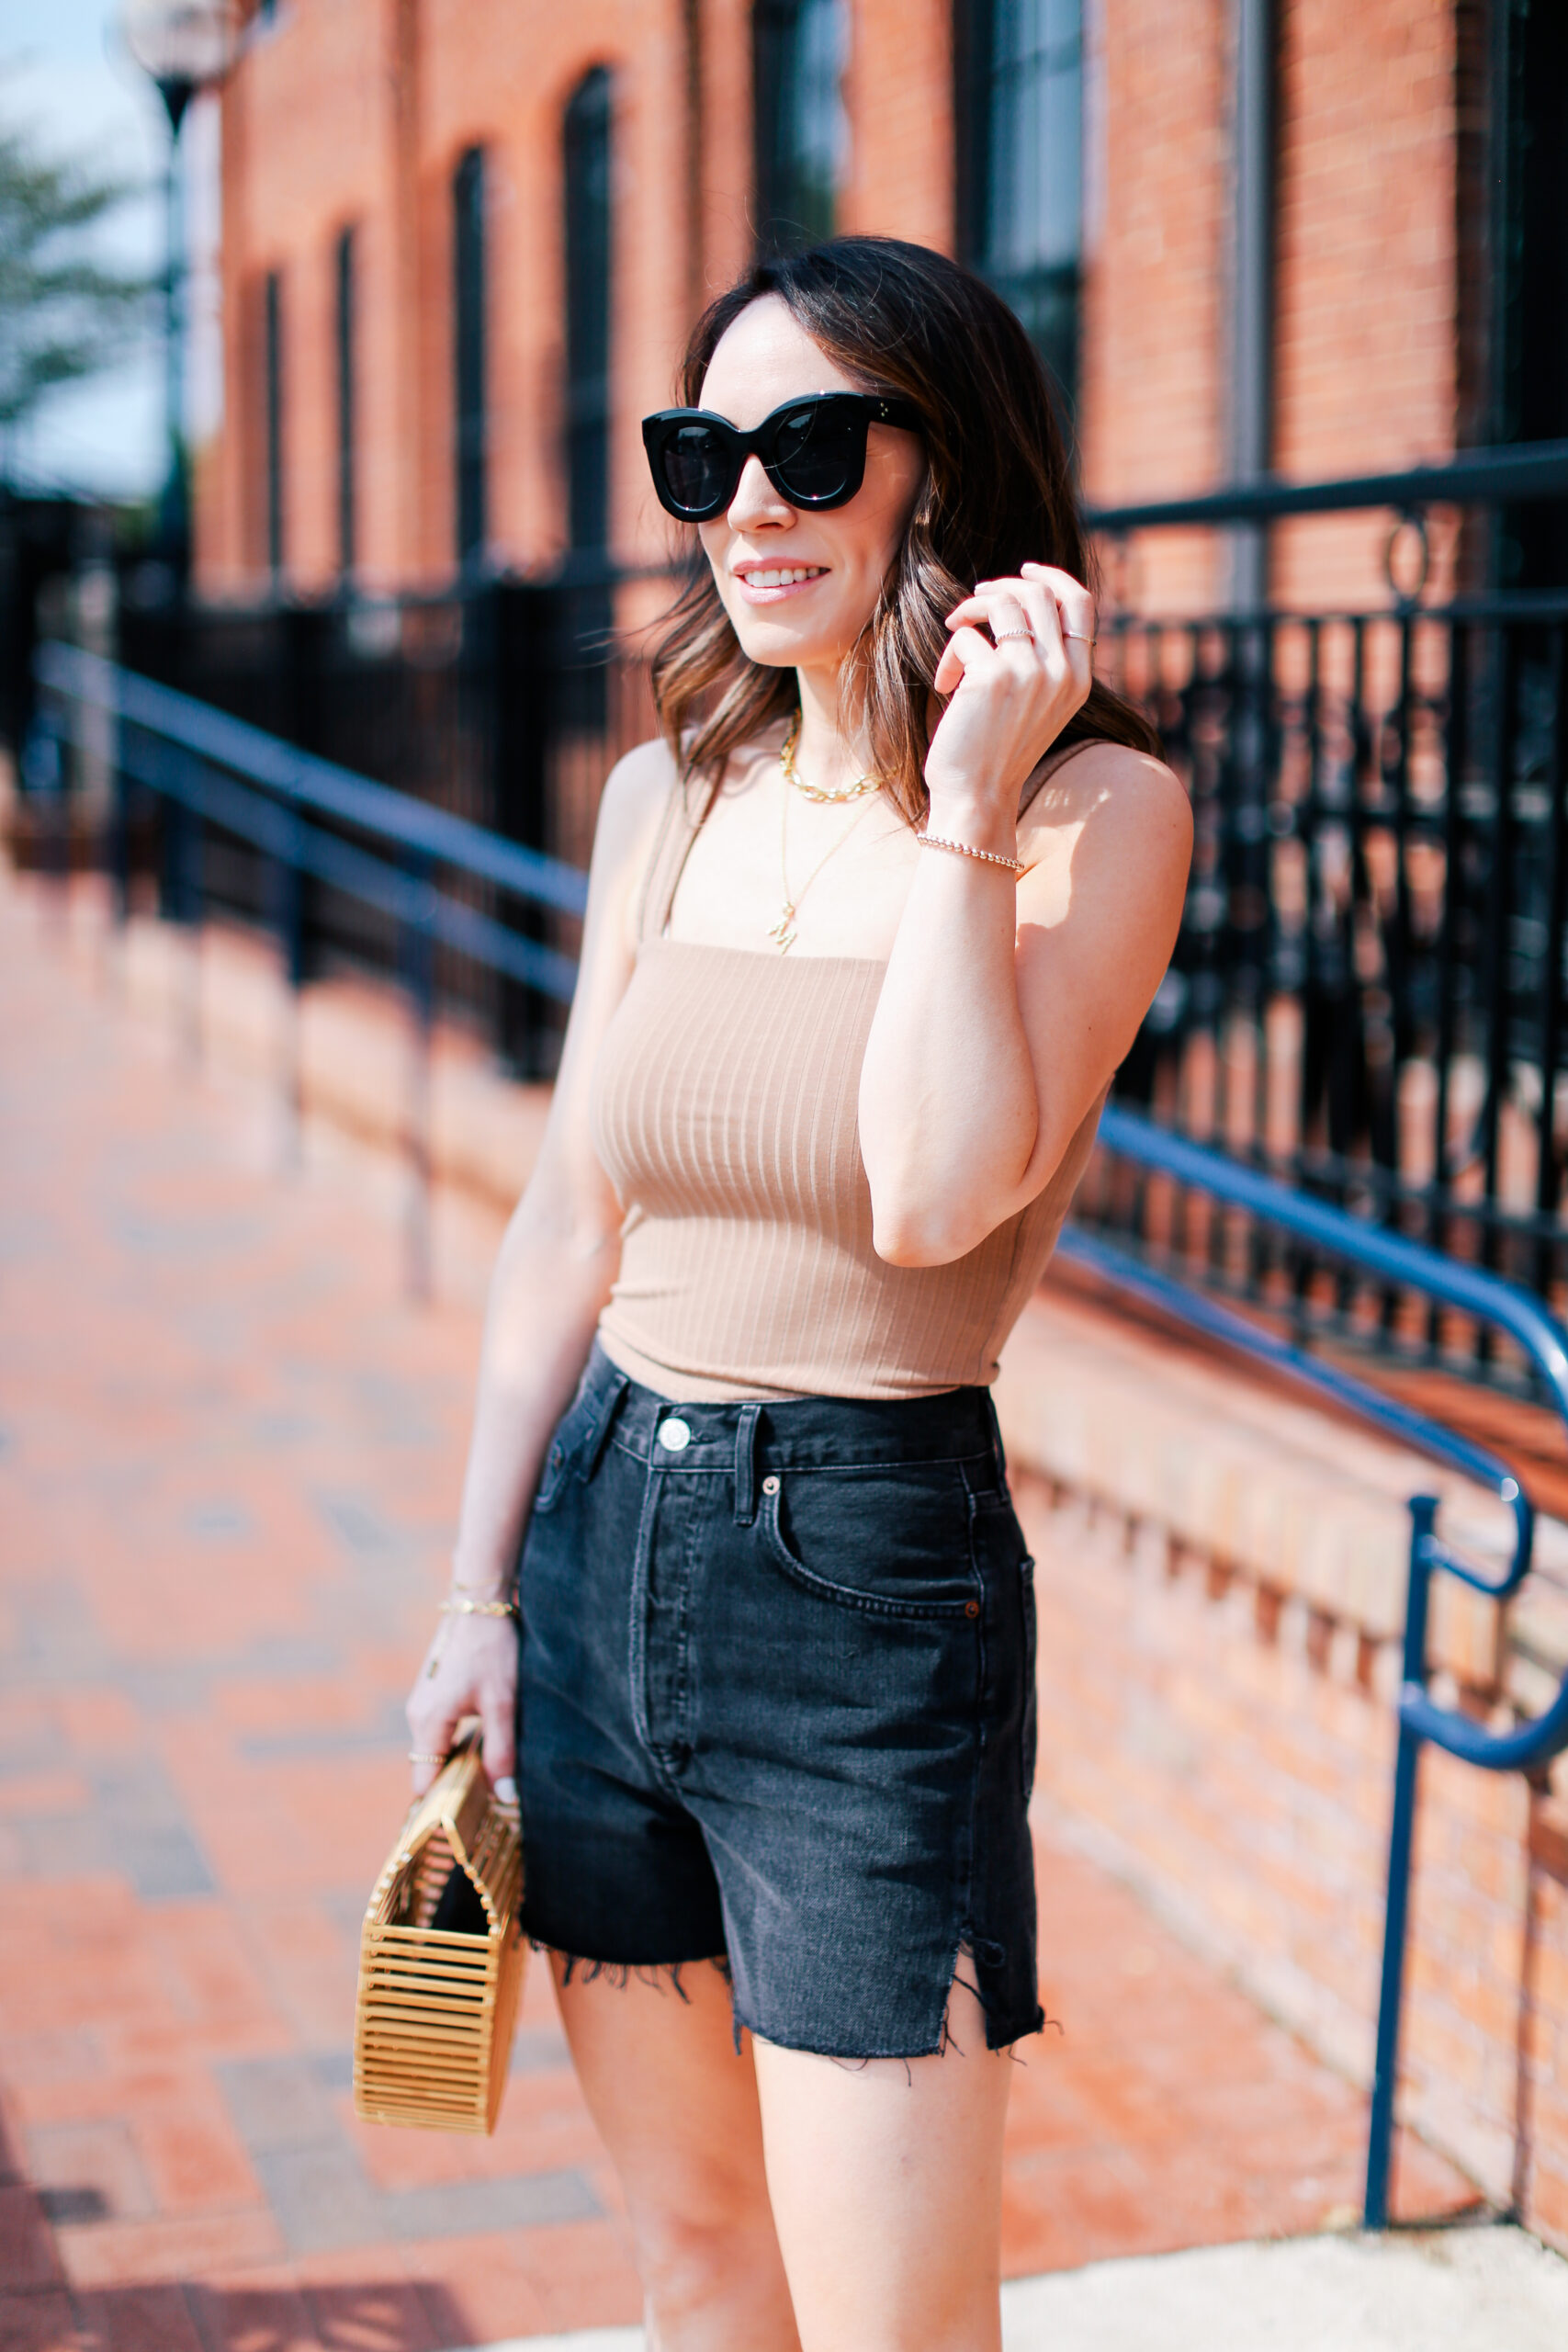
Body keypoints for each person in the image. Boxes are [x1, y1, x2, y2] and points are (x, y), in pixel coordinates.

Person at [406, 236, 1190, 2352]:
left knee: (889, 2324)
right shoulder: (665, 791)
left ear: (946, 464)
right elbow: (565, 1214)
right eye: (702, 455)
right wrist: (475, 1593)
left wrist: (963, 799)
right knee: (695, 2260)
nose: (745, 504)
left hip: (858, 1579)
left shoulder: (1093, 812)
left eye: (808, 447)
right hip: (597, 1546)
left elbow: (932, 1195)